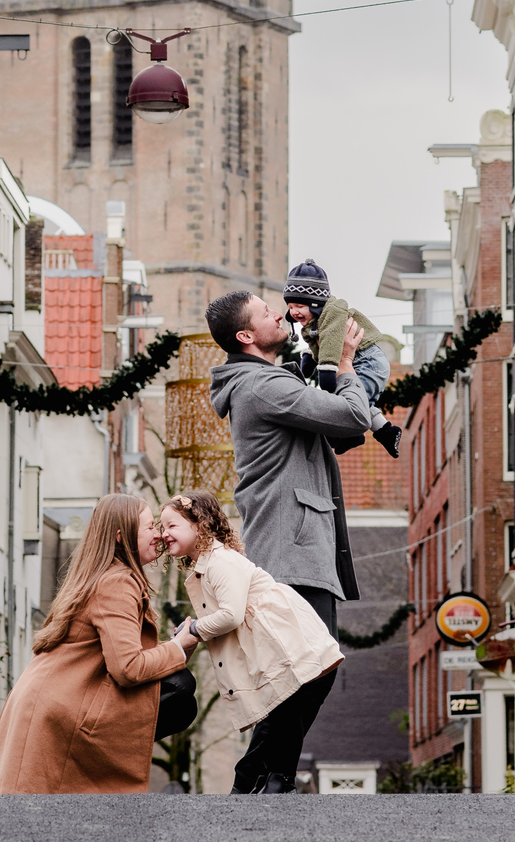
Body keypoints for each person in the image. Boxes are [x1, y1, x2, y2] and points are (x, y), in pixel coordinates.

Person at [0, 492, 195, 793]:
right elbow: (129, 668)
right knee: (180, 687)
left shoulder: (101, 576)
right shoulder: (117, 582)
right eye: (149, 527)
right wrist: (177, 648)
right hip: (60, 710)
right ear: (121, 537)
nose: (158, 534)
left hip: (52, 704)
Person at [206, 290, 368, 640]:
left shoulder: (260, 384)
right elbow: (355, 416)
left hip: (291, 556)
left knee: (307, 676)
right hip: (294, 559)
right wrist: (344, 363)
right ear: (246, 336)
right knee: (310, 676)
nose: (279, 314)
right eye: (265, 313)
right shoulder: (263, 385)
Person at [160, 490, 341, 795]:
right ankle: (268, 783)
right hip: (285, 651)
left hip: (293, 649)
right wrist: (193, 626)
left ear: (199, 525)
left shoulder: (219, 561)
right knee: (280, 723)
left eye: (171, 525)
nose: (164, 533)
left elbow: (230, 615)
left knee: (280, 720)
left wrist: (194, 629)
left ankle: (259, 785)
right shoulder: (207, 566)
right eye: (161, 527)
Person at [283, 257, 404, 458]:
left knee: (351, 403)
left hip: (368, 361)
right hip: (359, 362)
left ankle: (352, 433)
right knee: (359, 401)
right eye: (290, 306)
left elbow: (330, 343)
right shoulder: (314, 321)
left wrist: (327, 370)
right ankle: (386, 431)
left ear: (314, 303)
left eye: (299, 306)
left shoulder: (333, 312)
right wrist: (308, 362)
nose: (293, 312)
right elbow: (317, 345)